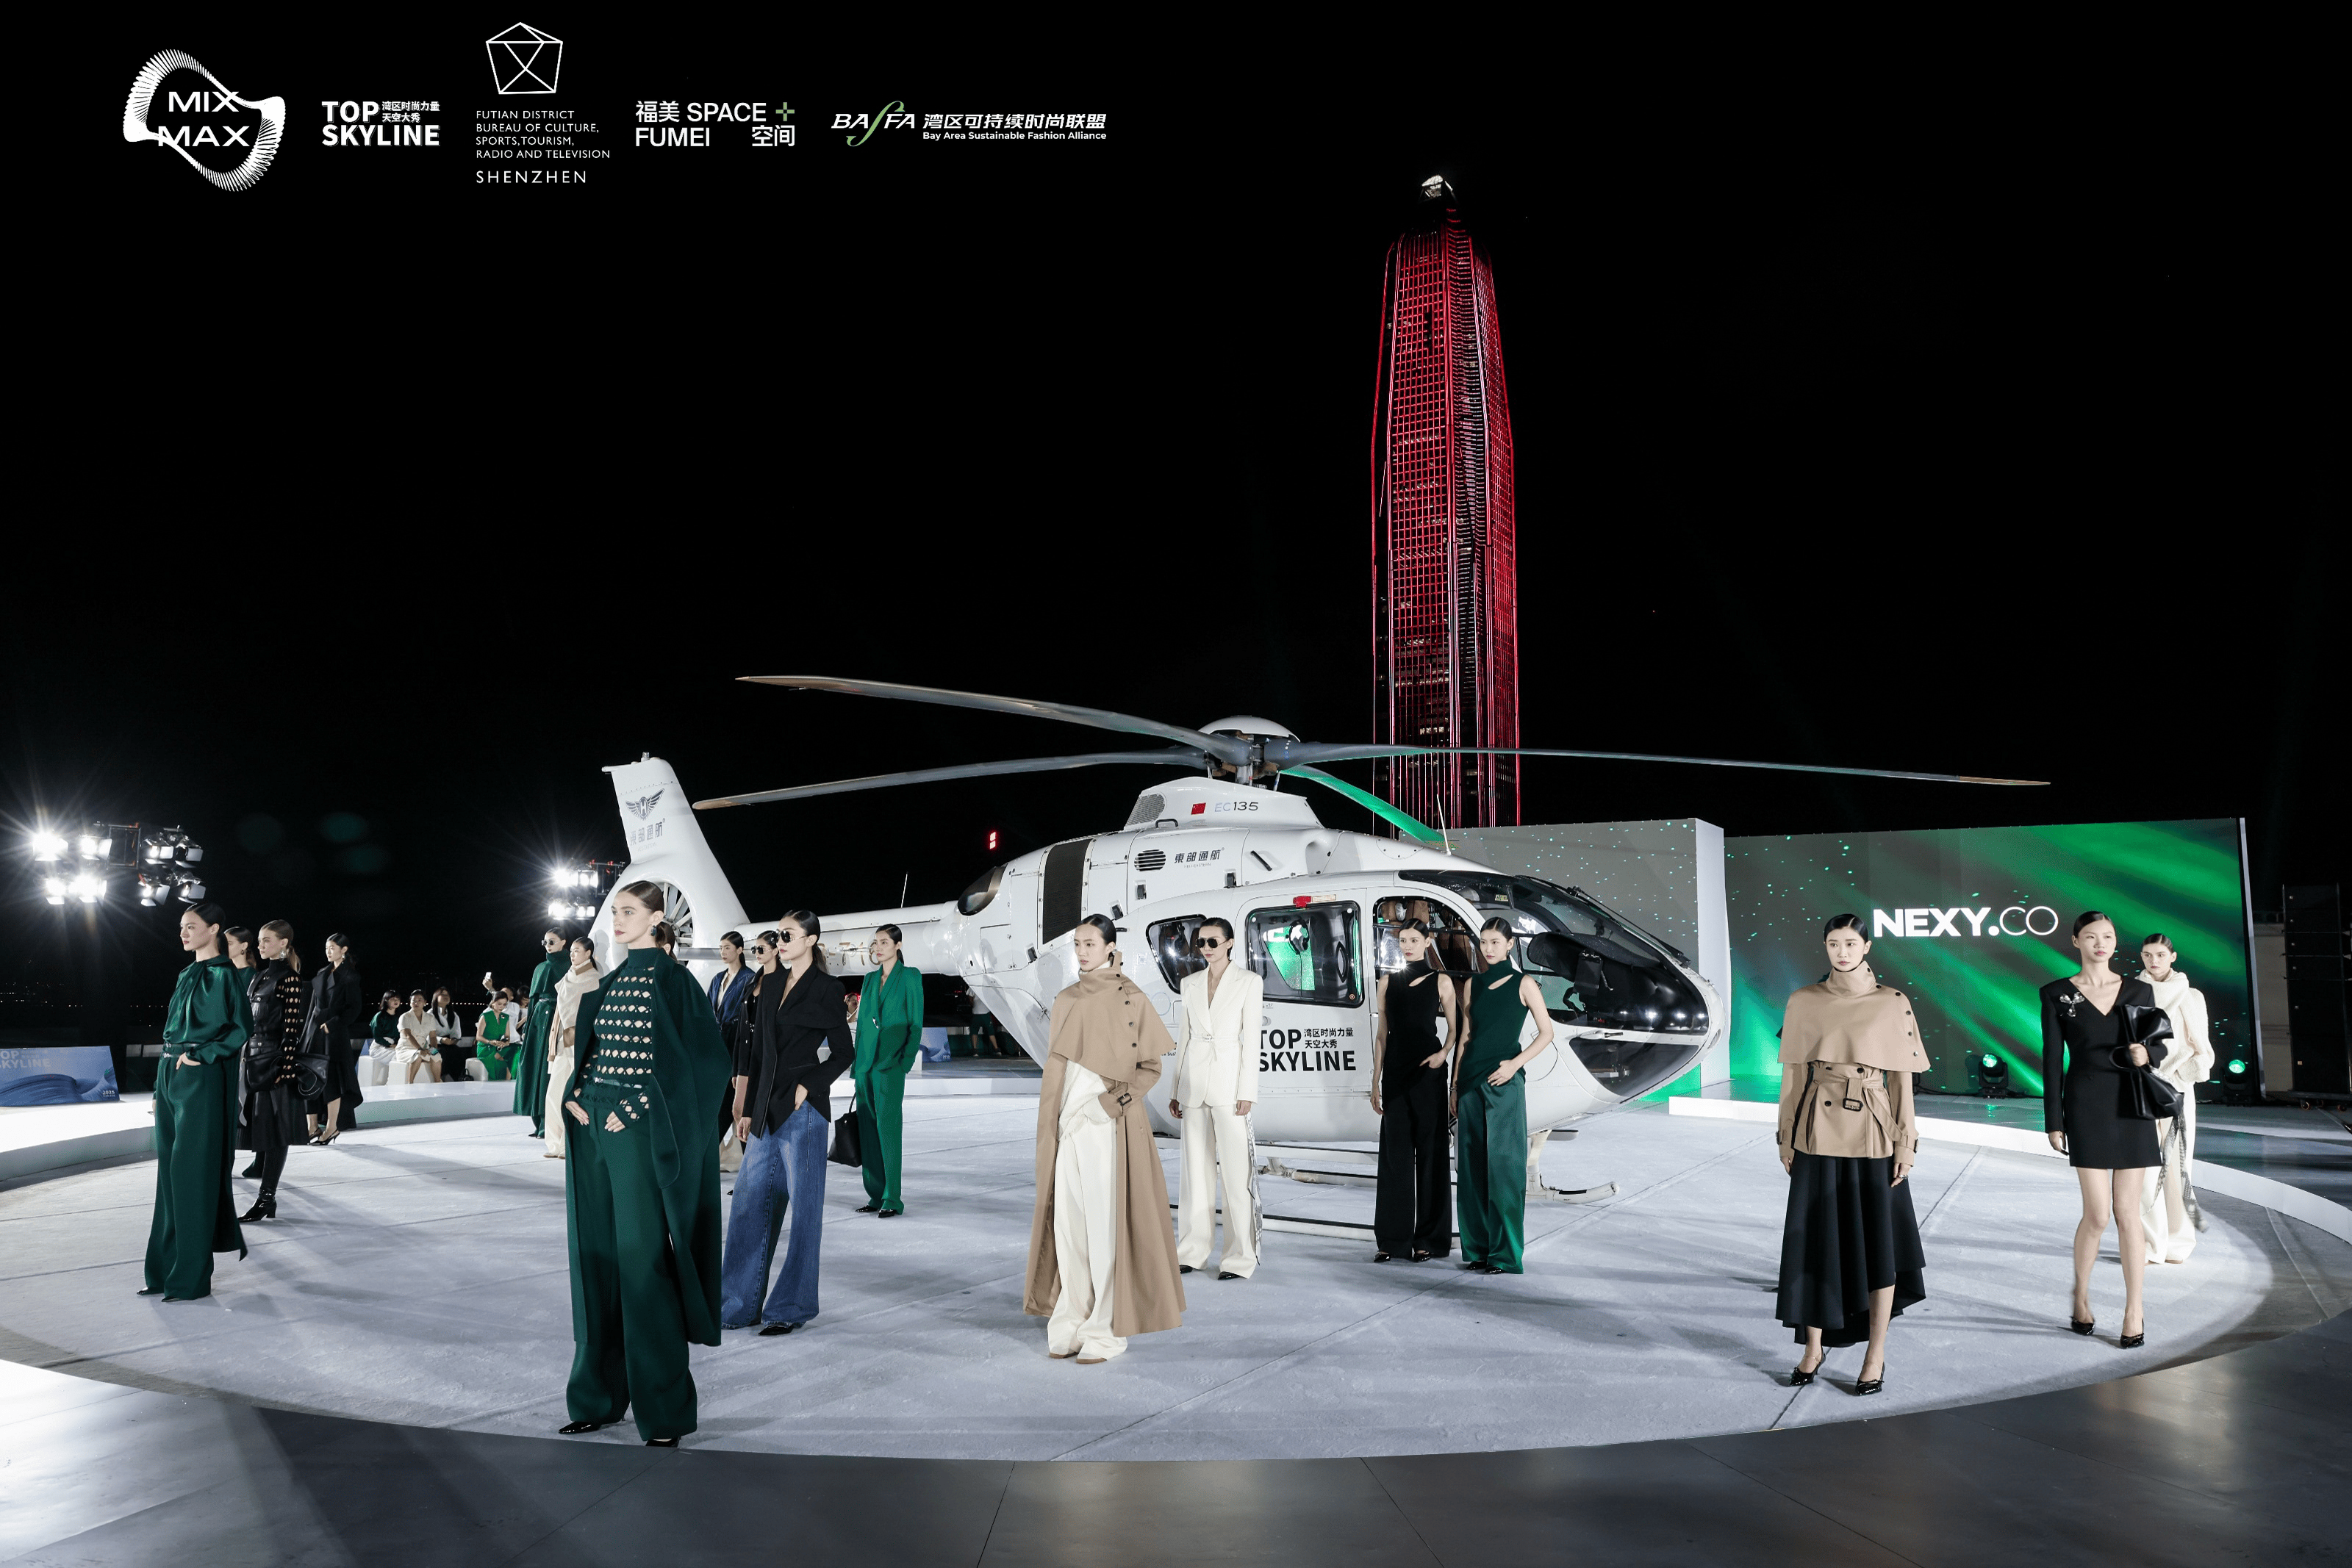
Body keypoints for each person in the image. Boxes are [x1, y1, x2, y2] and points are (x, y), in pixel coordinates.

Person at [557, 881, 729, 1446]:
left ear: (657, 919)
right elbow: (596, 1052)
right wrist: (578, 1095)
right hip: (592, 1131)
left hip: (638, 1135)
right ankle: (597, 1397)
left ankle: (663, 1410)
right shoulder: (608, 984)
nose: (617, 920)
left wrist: (637, 1106)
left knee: (641, 1262)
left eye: (629, 911)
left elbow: (707, 1066)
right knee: (595, 1260)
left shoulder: (675, 983)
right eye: (616, 911)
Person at [1774, 913, 1929, 1395]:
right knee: (1814, 1242)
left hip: (1874, 1131)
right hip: (1816, 1132)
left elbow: (1902, 1081)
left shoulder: (1892, 1003)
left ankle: (1875, 1354)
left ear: (1867, 947)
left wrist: (1906, 1143)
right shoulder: (1804, 1000)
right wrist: (1785, 1137)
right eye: (1833, 944)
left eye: (1850, 944)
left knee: (1879, 1245)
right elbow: (1793, 1077)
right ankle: (1812, 1348)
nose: (1842, 952)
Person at [1023, 913, 1185, 1362]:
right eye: (1077, 944)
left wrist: (1109, 1105)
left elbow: (1150, 1068)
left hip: (1105, 1128)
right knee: (1068, 1228)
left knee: (1105, 1230)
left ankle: (1107, 1330)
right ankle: (1071, 1319)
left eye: (1090, 944)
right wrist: (1056, 1122)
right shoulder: (1066, 998)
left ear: (1111, 947)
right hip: (1066, 1127)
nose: (1081, 952)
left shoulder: (1131, 998)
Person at [2043, 910, 2173, 1348]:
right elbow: (2051, 1060)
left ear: (2116, 942)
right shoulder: (2056, 993)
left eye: (2109, 936)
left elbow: (2157, 1043)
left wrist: (2147, 1055)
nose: (2101, 943)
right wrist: (2054, 1121)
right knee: (2098, 1215)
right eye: (2092, 936)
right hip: (2085, 1105)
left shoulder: (2138, 989)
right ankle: (2080, 1295)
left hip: (2131, 1103)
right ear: (2076, 941)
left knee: (2127, 1214)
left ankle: (2134, 1309)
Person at [723, 911, 851, 1334]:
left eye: (789, 934)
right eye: (779, 934)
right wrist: (748, 1109)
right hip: (766, 1113)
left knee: (805, 1215)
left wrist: (806, 1087)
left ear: (811, 940)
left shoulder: (827, 989)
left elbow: (843, 1053)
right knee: (748, 1206)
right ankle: (737, 1304)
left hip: (804, 1114)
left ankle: (791, 1306)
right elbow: (760, 1054)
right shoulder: (771, 984)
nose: (781, 940)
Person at [143, 902, 248, 1301]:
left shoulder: (226, 975)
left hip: (200, 1076)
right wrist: (159, 1088)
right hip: (169, 1073)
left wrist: (202, 1056)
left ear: (214, 928)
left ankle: (190, 1279)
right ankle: (163, 1274)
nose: (183, 933)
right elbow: (172, 1028)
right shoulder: (187, 973)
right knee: (168, 1179)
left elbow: (241, 1029)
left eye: (191, 926)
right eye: (181, 927)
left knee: (192, 1176)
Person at [1452, 918, 1555, 1275]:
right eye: (1484, 942)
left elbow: (1546, 1033)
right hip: (1470, 1082)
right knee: (1471, 1170)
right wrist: (1455, 1085)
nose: (1488, 948)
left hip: (1504, 1082)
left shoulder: (1524, 983)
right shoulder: (1473, 984)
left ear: (1510, 944)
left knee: (1504, 1169)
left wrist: (1515, 1064)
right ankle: (1478, 1250)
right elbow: (1466, 1037)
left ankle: (1505, 1255)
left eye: (1495, 942)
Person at [1169, 916, 1264, 1279]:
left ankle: (1240, 1257)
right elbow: (1184, 1037)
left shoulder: (1249, 981)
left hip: (1230, 1085)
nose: (1206, 948)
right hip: (1193, 1085)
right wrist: (1176, 1089)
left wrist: (1247, 1091)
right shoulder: (1189, 983)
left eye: (1213, 942)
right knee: (1194, 1175)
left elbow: (1252, 1040)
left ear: (1229, 943)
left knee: (1237, 1176)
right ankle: (1192, 1251)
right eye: (1201, 942)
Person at [1371, 918, 1457, 1263]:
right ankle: (1392, 1241)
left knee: (1432, 1156)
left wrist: (1443, 1054)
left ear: (1427, 942)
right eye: (1403, 940)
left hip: (1428, 1074)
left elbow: (1455, 1028)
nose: (1407, 946)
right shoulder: (1387, 982)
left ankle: (1429, 1241)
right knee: (1396, 1159)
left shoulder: (1442, 981)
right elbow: (1382, 1034)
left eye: (1414, 940)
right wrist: (1375, 1078)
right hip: (1394, 1074)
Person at [2137, 933, 2214, 1264]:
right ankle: (2149, 1244)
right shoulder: (2133, 993)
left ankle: (2180, 1243)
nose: (2153, 961)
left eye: (2159, 955)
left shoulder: (2192, 996)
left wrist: (2182, 1073)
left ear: (2173, 957)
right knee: (2143, 1171)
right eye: (2147, 955)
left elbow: (2201, 1044)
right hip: (2141, 1085)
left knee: (2179, 1167)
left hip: (2179, 1087)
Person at [237, 921, 312, 1222]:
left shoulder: (290, 979)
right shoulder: (260, 976)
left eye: (267, 940)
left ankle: (266, 1198)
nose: (260, 945)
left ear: (284, 943)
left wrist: (286, 1068)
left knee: (277, 1133)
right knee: (263, 1131)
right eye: (259, 940)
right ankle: (266, 1198)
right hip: (254, 1063)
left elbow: (293, 1031)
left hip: (275, 1066)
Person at [852, 923, 923, 1218]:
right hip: (865, 1065)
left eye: (884, 942)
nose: (878, 948)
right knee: (868, 1130)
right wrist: (857, 1064)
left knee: (888, 1130)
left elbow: (916, 1024)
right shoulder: (870, 979)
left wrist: (904, 1063)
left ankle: (892, 1198)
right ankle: (875, 1194)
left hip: (891, 1065)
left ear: (898, 945)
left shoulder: (910, 976)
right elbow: (862, 1025)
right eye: (876, 943)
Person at [545, 937, 601, 1159]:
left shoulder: (594, 979)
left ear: (588, 953)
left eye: (577, 951)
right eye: (572, 951)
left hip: (579, 1043)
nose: (572, 954)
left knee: (571, 1094)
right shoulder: (568, 976)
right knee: (554, 1093)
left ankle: (567, 1145)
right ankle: (555, 1144)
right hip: (562, 1041)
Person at [305, 934, 365, 1140]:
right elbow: (314, 1004)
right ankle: (312, 1127)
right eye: (326, 948)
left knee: (332, 1080)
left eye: (332, 948)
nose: (328, 952)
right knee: (311, 1077)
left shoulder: (350, 975)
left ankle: (331, 1127)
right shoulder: (323, 972)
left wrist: (332, 1025)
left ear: (344, 950)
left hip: (334, 1034)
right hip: (315, 1032)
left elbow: (354, 1009)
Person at [707, 932, 754, 1166]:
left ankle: (745, 1160)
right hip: (717, 1047)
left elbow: (748, 1016)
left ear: (739, 950)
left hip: (737, 1044)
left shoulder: (749, 978)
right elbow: (708, 1010)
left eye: (727, 947)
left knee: (733, 1102)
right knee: (721, 1102)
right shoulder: (718, 979)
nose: (723, 952)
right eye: (721, 948)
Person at [514, 929, 566, 1138]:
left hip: (557, 1019)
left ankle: (548, 1124)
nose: (548, 945)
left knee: (548, 1071)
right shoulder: (540, 968)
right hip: (537, 1021)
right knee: (534, 1068)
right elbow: (533, 1000)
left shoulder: (569, 966)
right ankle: (537, 1121)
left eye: (552, 941)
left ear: (563, 942)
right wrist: (528, 1028)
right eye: (545, 942)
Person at [394, 991, 440, 1084]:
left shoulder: (430, 1017)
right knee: (418, 1055)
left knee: (437, 1055)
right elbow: (408, 1036)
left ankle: (437, 1083)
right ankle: (410, 1083)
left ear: (425, 1002)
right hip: (406, 1048)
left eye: (420, 1000)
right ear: (410, 1002)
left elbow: (433, 1037)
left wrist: (434, 1049)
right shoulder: (405, 1017)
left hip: (424, 1047)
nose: (416, 1003)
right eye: (414, 1000)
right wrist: (420, 1049)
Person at [476, 988, 519, 1080]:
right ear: (493, 1002)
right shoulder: (485, 1016)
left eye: (504, 1004)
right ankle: (501, 1083)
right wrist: (490, 1042)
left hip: (498, 1046)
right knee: (503, 1064)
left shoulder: (506, 1017)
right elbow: (478, 1037)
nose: (502, 1007)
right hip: (485, 1047)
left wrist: (506, 1042)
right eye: (499, 1004)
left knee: (515, 1054)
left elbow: (507, 1036)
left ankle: (509, 1083)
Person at [429, 987, 468, 1082]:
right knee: (439, 1053)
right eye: (443, 994)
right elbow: (427, 1035)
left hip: (448, 1043)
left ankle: (459, 1078)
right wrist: (441, 1040)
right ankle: (441, 1078)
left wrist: (454, 1040)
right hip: (431, 1045)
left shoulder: (453, 1015)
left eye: (447, 995)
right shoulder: (430, 1014)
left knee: (458, 1053)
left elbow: (456, 1033)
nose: (446, 997)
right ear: (436, 997)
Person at [365, 990, 401, 1086]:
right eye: (392, 999)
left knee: (402, 1055)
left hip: (393, 1046)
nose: (396, 1001)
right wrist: (389, 1045)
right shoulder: (379, 1016)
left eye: (397, 999)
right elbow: (377, 1037)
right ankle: (390, 1083)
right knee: (397, 1056)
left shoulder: (399, 1017)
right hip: (378, 1048)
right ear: (386, 1001)